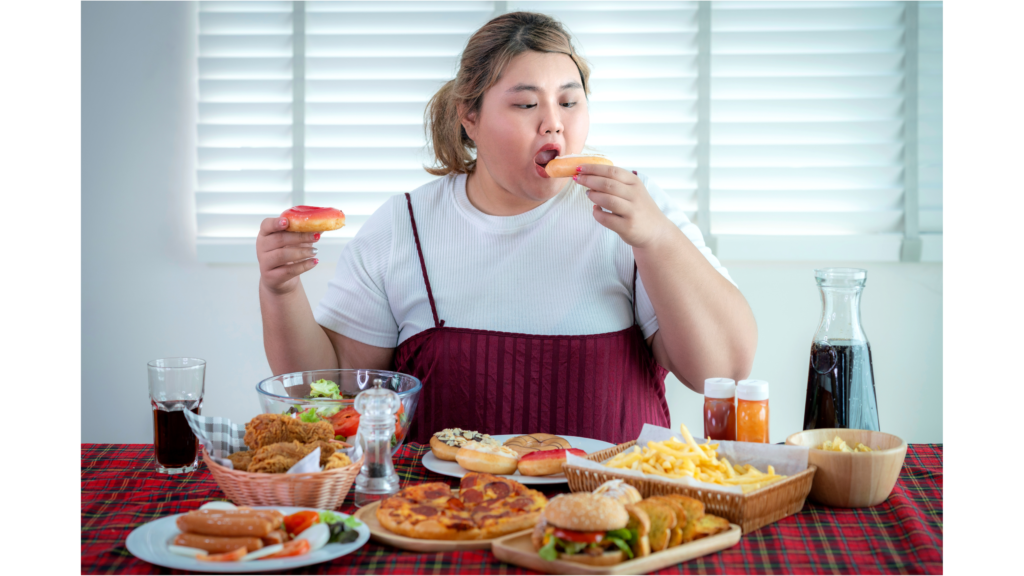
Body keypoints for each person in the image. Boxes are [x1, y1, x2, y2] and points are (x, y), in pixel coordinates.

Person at [256, 12, 757, 444]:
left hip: (609, 524)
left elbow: (724, 371)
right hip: (445, 522)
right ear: (469, 117)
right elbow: (328, 392)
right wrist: (280, 289)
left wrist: (657, 238)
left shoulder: (636, 209)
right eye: (525, 104)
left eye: (569, 101)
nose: (553, 124)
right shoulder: (403, 226)